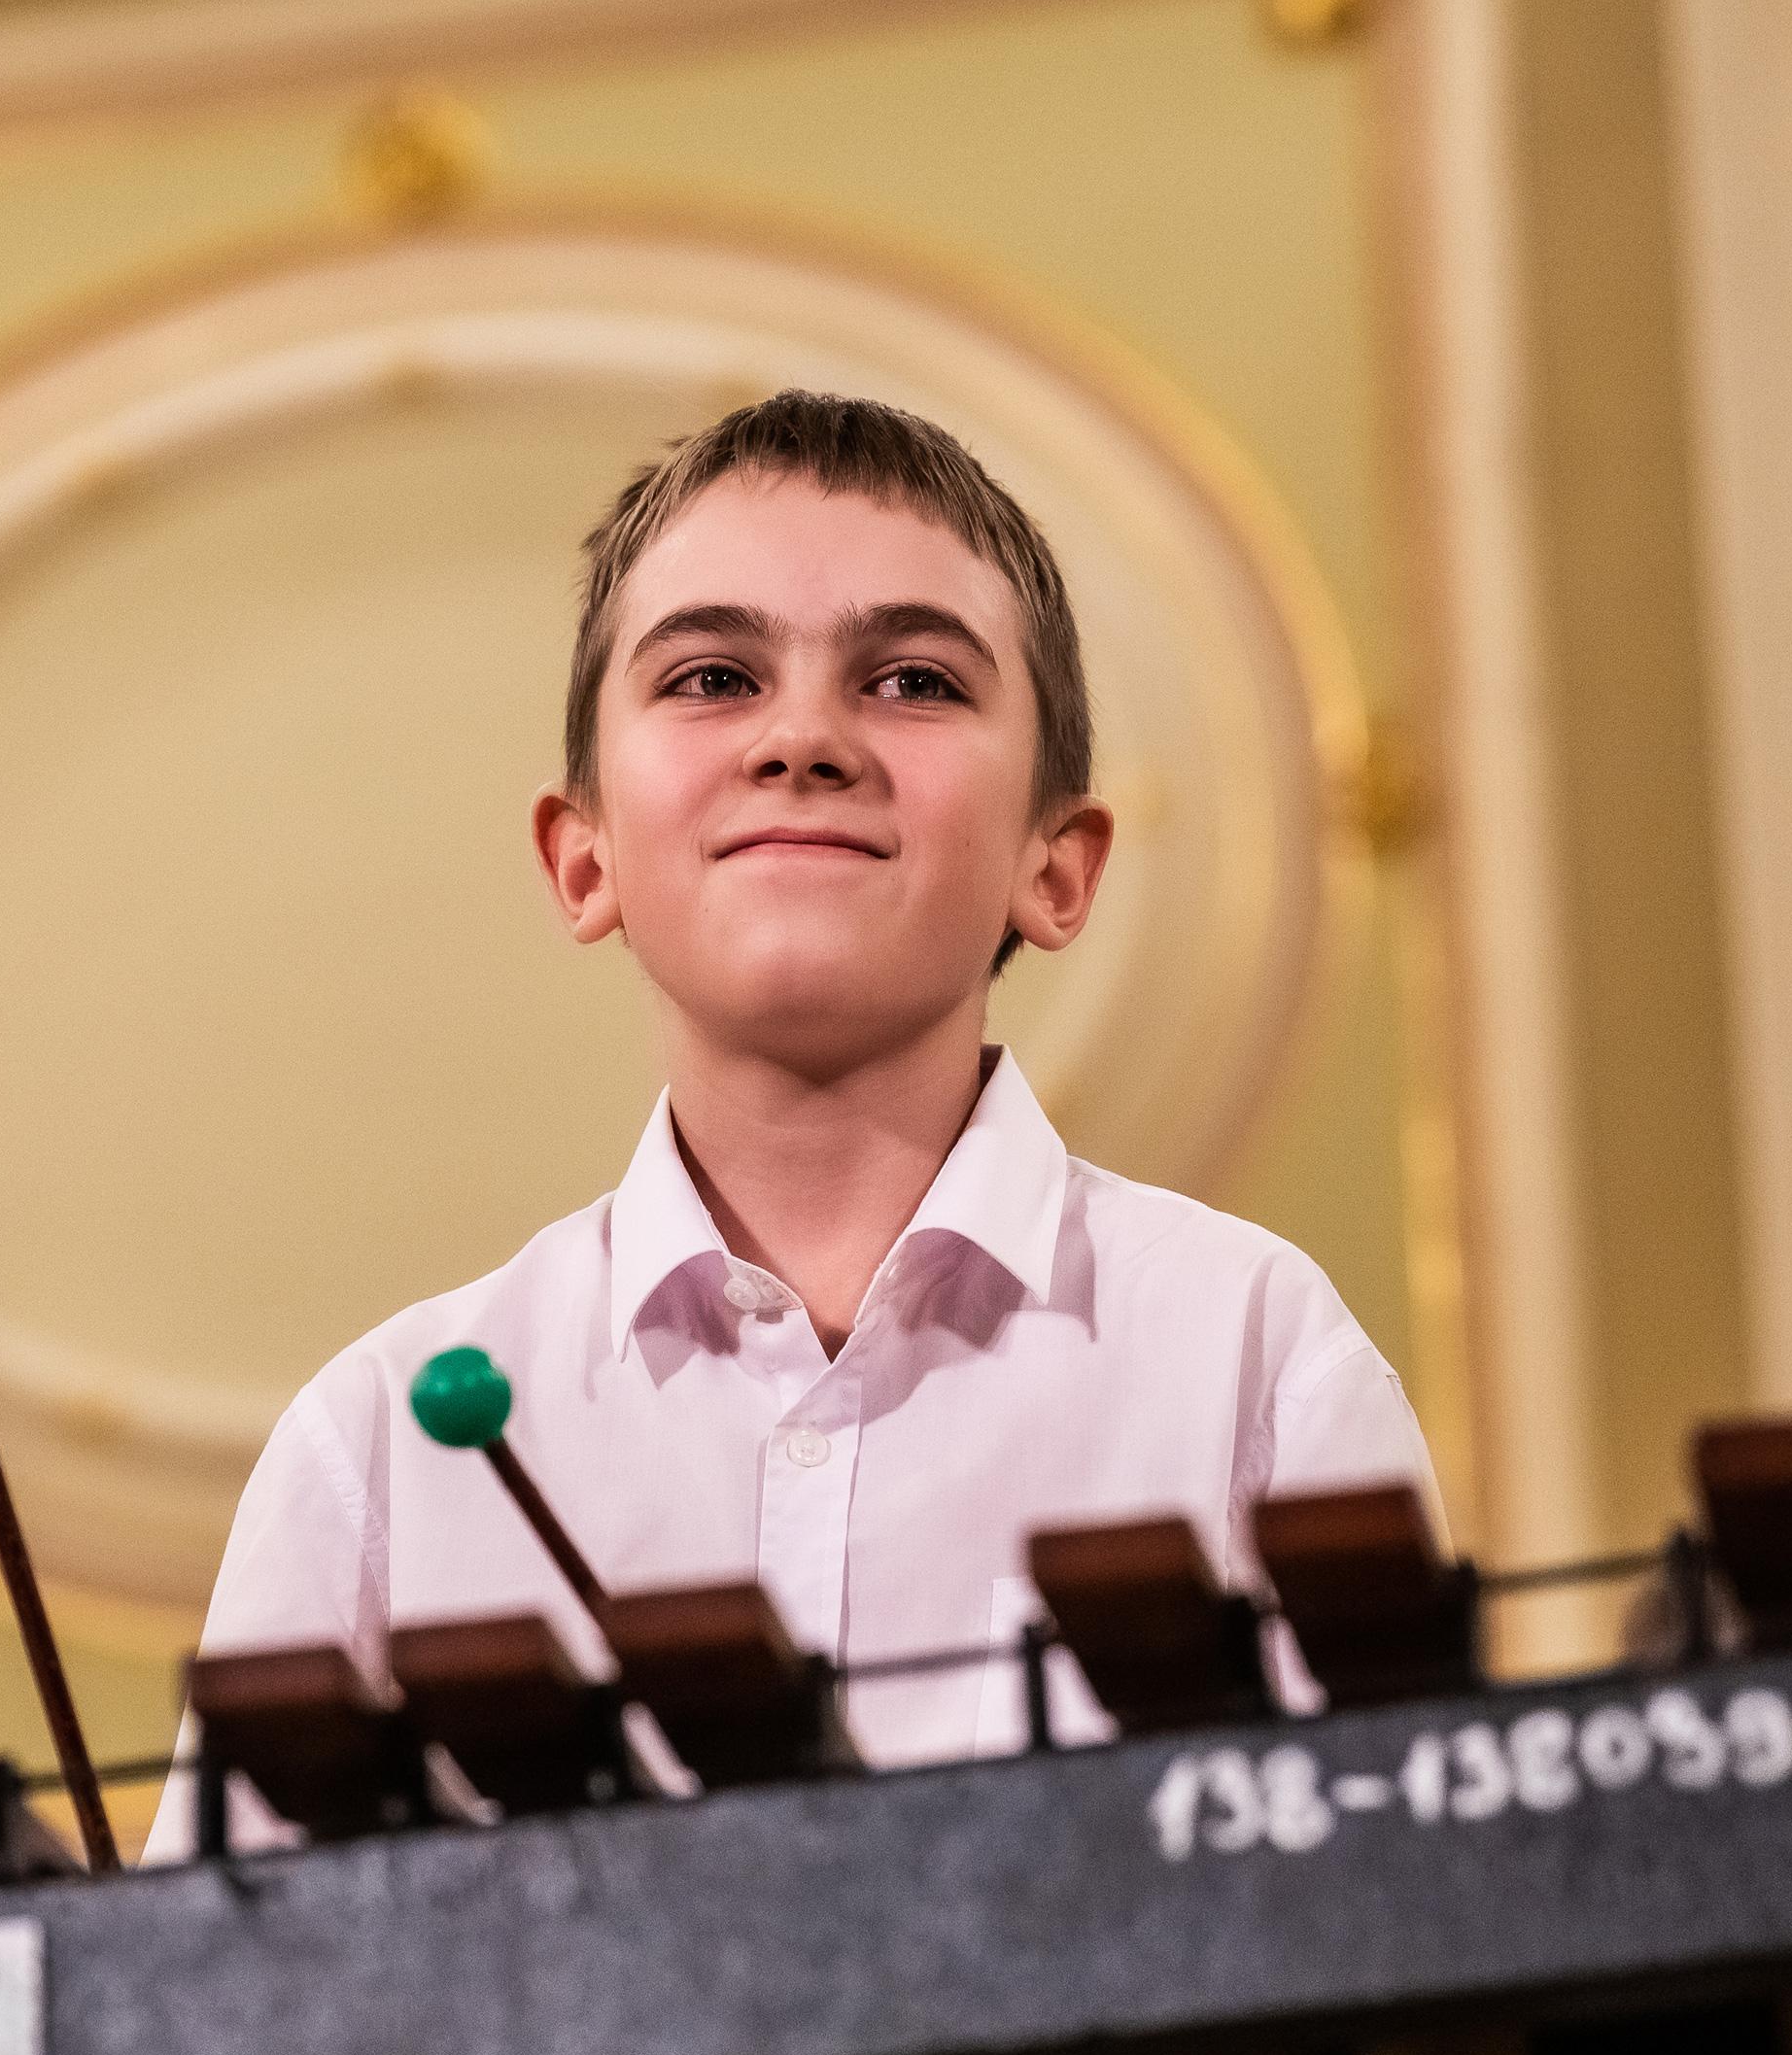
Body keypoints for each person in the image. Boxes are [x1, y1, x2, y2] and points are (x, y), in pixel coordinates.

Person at [170, 389, 1434, 1825]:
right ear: (584, 859)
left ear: (1057, 867)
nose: (803, 740)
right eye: (713, 676)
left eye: (916, 682)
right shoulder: (384, 1444)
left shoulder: (1254, 1356)